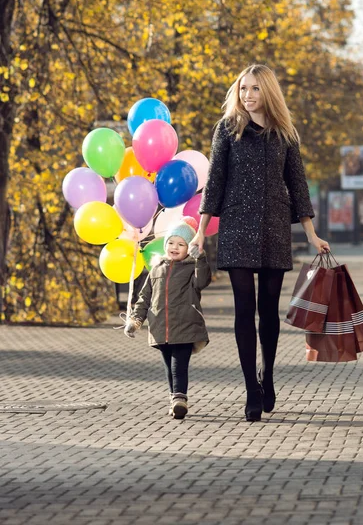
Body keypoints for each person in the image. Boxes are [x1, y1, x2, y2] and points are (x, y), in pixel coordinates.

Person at [189, 64, 330, 422]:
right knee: (243, 309)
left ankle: (267, 374)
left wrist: (311, 234)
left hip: (274, 229)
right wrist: (200, 231)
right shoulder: (227, 129)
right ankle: (251, 388)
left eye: (254, 89)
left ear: (267, 92)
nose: (247, 95)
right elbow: (215, 182)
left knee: (268, 311)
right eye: (243, 89)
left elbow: (298, 185)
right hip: (236, 225)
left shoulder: (285, 134)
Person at [124, 220, 212, 419]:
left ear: (188, 248)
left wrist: (202, 259)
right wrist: (135, 321)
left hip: (185, 325)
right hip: (160, 327)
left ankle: (180, 398)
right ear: (165, 245)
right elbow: (145, 298)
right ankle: (174, 399)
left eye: (181, 244)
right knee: (168, 366)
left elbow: (202, 281)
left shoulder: (191, 268)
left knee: (178, 365)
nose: (175, 248)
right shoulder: (156, 269)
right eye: (171, 243)